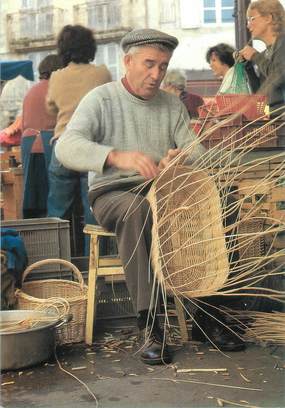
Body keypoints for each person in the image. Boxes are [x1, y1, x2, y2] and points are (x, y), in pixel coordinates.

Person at [55, 28, 207, 365]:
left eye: (163, 67)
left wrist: (179, 159)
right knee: (137, 209)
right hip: (113, 195)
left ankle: (209, 313)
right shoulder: (102, 99)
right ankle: (150, 323)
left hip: (161, 191)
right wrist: (114, 156)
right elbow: (66, 146)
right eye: (149, 64)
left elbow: (195, 149)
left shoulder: (171, 105)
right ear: (127, 61)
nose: (156, 75)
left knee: (218, 199)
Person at [46, 24, 112, 253]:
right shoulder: (102, 74)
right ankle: (94, 269)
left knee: (57, 213)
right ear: (90, 47)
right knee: (93, 211)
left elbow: (51, 107)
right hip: (92, 149)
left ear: (63, 49)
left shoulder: (56, 76)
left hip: (63, 147)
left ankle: (58, 266)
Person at [21, 54, 63, 218]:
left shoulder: (31, 91)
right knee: (53, 198)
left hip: (28, 145)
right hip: (48, 145)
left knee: (32, 197)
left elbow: (25, 123)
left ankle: (36, 237)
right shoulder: (56, 88)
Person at [239, 0, 285, 117]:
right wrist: (248, 66)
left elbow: (279, 75)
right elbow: (260, 92)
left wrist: (255, 56)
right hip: (274, 117)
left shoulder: (283, 43)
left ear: (268, 18)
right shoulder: (267, 53)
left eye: (251, 19)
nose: (248, 25)